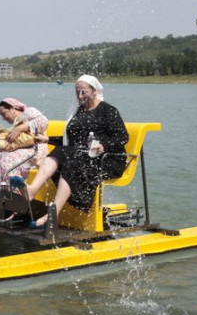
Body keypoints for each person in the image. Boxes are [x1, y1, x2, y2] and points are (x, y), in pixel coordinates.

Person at [26, 75, 129, 226]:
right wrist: (48, 139)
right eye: (77, 92)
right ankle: (33, 190)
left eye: (84, 92)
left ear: (94, 91)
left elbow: (122, 137)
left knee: (72, 162)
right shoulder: (78, 111)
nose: (80, 96)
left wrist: (103, 145)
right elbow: (73, 141)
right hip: (85, 156)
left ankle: (53, 213)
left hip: (108, 159)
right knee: (62, 151)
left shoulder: (108, 110)